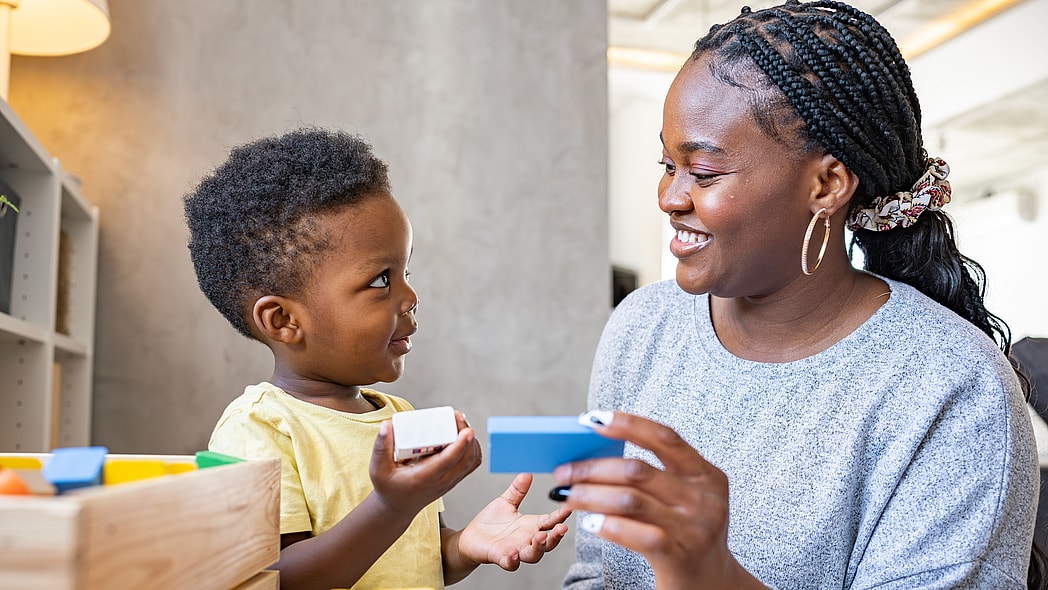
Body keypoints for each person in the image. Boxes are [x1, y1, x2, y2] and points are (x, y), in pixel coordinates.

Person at [553, 1, 1042, 588]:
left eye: (704, 173)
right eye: (667, 164)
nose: (670, 196)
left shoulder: (952, 385)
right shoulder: (639, 327)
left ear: (827, 184)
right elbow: (593, 570)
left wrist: (715, 577)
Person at [183, 127, 570, 590]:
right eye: (380, 281)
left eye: (405, 272)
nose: (410, 296)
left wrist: (464, 545)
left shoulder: (397, 418)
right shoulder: (260, 429)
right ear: (284, 319)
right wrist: (391, 506)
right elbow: (277, 579)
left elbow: (409, 560)